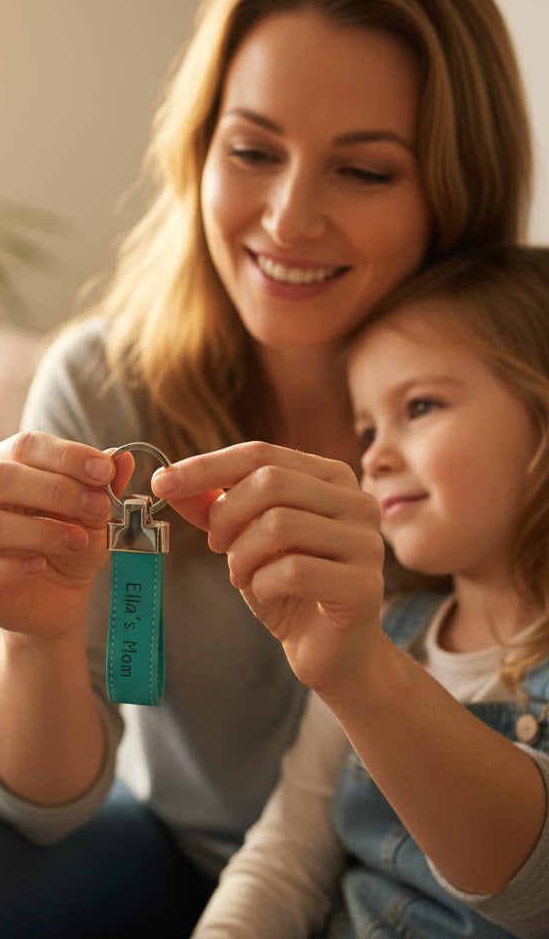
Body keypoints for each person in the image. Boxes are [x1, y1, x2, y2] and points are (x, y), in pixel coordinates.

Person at [0, 0, 532, 937]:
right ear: (198, 152)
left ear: (455, 185)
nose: (286, 216)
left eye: (362, 171)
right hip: (187, 861)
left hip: (428, 896)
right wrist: (37, 639)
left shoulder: (519, 407)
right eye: (251, 150)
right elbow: (45, 804)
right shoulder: (108, 391)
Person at [180, 244, 549, 937]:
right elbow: (283, 863)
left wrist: (363, 676)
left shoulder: (365, 661)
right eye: (366, 429)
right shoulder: (379, 636)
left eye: (421, 405)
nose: (373, 455)